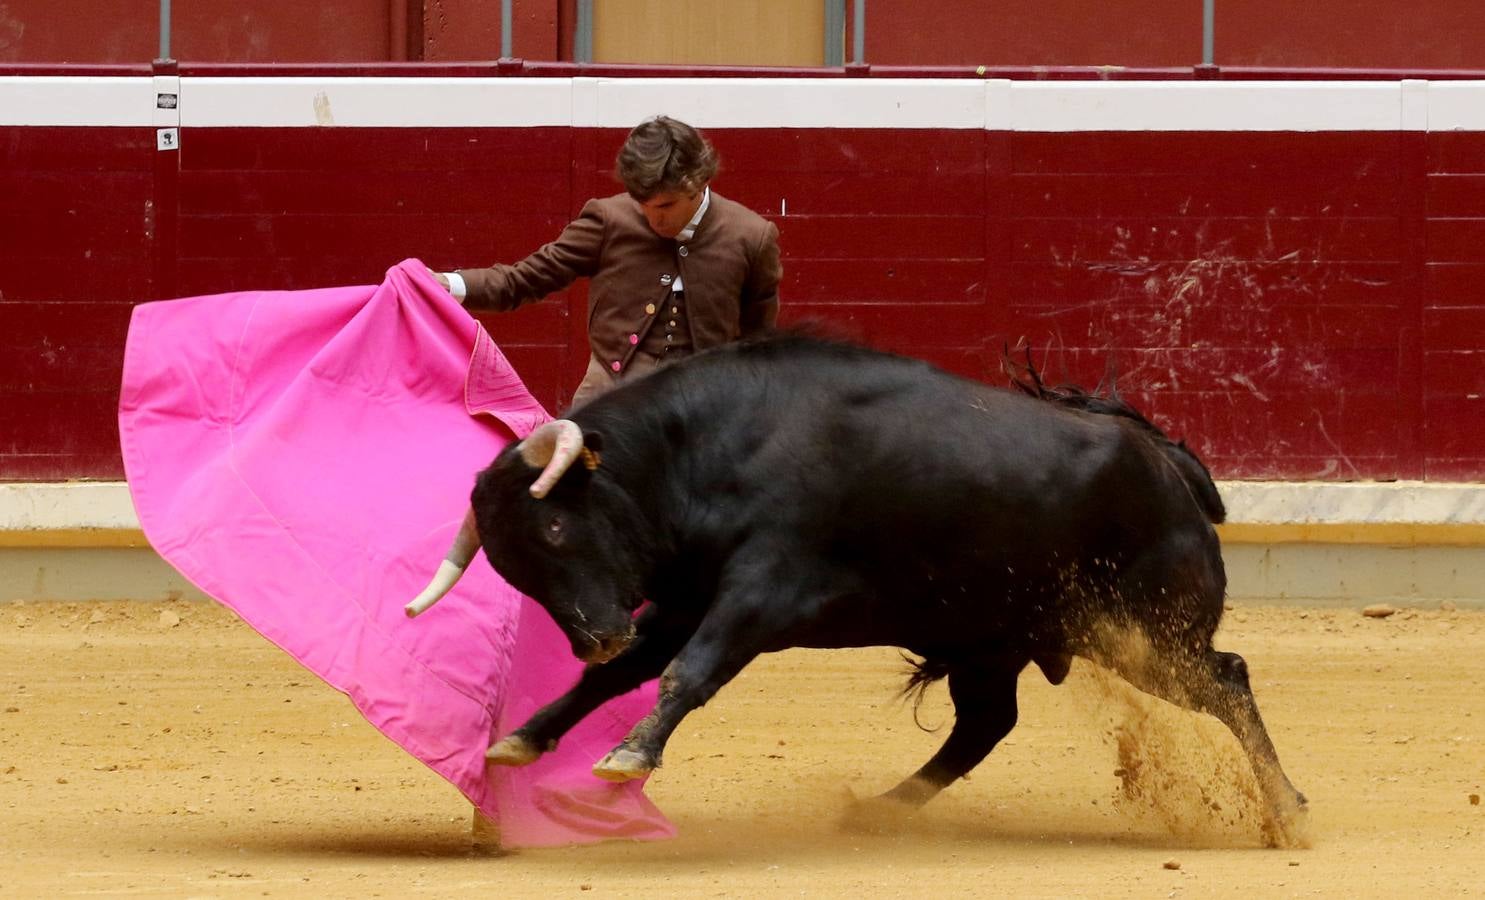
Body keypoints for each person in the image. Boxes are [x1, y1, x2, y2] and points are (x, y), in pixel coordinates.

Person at [436, 115, 782, 408]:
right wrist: (448, 286)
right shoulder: (609, 219)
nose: (653, 219)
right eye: (641, 203)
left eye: (665, 206)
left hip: (703, 407)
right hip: (607, 398)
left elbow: (756, 343)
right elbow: (527, 278)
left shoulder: (751, 236)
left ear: (700, 182)